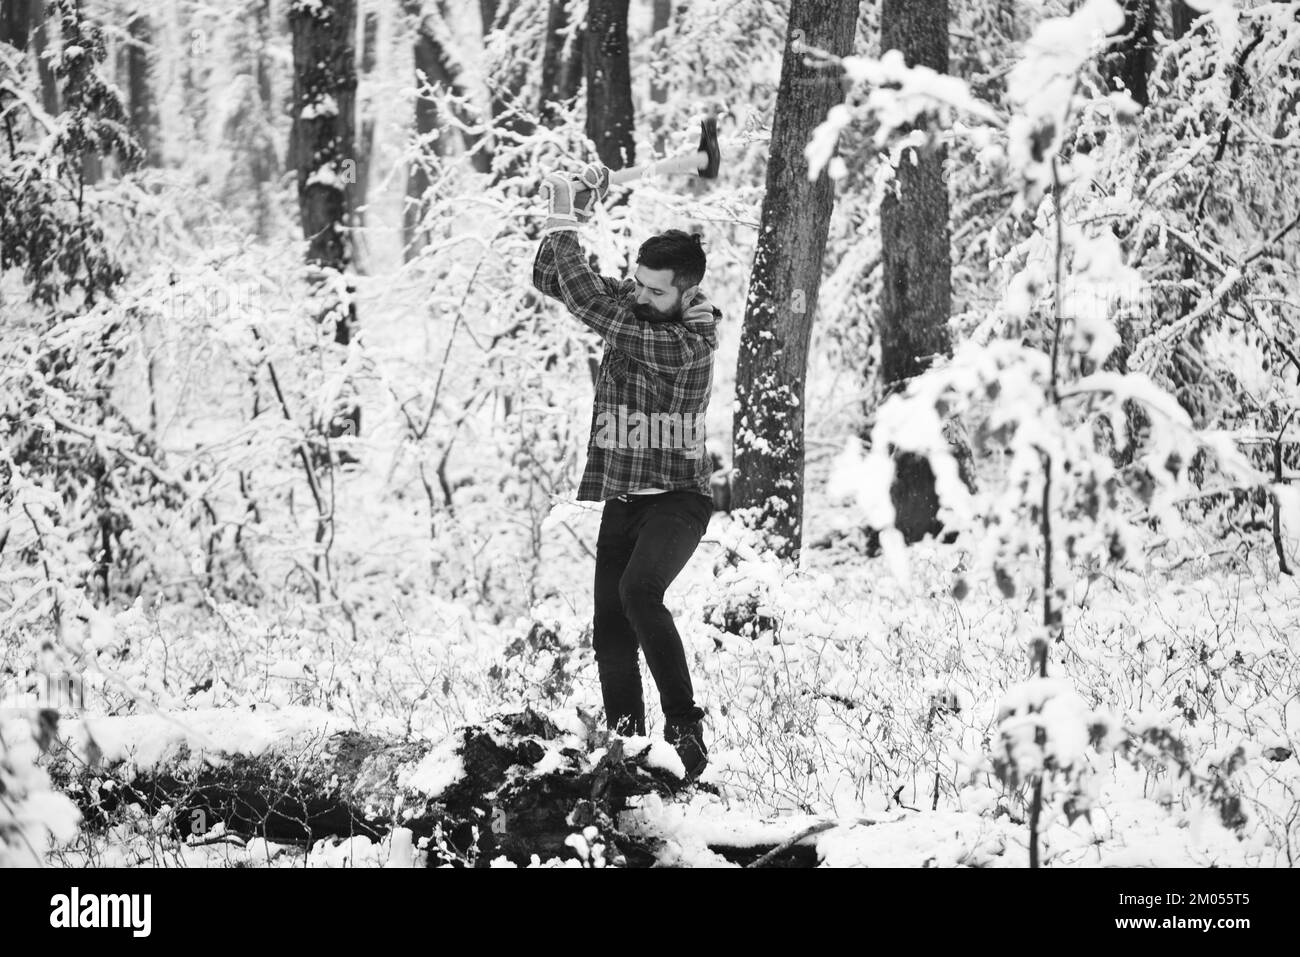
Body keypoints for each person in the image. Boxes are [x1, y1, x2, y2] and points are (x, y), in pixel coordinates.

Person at [530, 167, 719, 779]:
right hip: (626, 500)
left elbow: (589, 303)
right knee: (610, 630)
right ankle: (628, 753)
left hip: (679, 501)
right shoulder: (641, 306)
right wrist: (574, 214)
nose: (640, 296)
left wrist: (566, 218)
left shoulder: (686, 346)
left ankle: (685, 732)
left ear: (687, 293)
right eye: (637, 284)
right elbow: (553, 280)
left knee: (641, 594)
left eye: (655, 291)